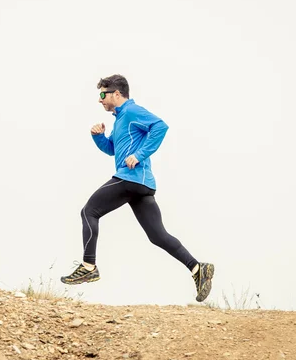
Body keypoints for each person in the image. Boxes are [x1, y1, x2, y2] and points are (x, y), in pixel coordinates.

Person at [60, 74, 214, 302]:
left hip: (131, 178)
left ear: (117, 94)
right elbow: (112, 149)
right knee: (157, 235)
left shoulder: (132, 111)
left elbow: (160, 126)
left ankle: (88, 266)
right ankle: (197, 269)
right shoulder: (120, 119)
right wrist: (98, 136)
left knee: (88, 211)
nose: (100, 100)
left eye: (103, 94)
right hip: (141, 185)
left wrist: (139, 155)